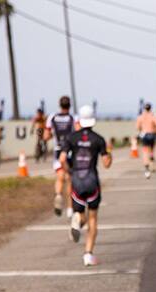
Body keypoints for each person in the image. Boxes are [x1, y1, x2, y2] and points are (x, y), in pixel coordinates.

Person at [60, 104, 112, 266]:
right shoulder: (98, 139)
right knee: (93, 218)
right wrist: (109, 153)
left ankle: (77, 220)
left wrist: (70, 171)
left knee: (80, 212)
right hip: (92, 180)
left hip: (77, 179)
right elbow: (106, 163)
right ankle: (88, 254)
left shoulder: (71, 138)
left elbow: (62, 159)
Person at [45, 96, 78, 216]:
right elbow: (78, 132)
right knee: (69, 179)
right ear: (70, 105)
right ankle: (70, 208)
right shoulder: (73, 118)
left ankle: (58, 195)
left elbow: (46, 136)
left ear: (60, 105)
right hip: (70, 151)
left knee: (60, 176)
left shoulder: (52, 117)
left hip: (58, 150)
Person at [135, 103, 156, 179]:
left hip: (144, 135)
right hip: (151, 134)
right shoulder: (153, 116)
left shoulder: (141, 117)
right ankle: (152, 164)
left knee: (145, 151)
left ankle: (147, 167)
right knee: (151, 150)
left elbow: (137, 127)